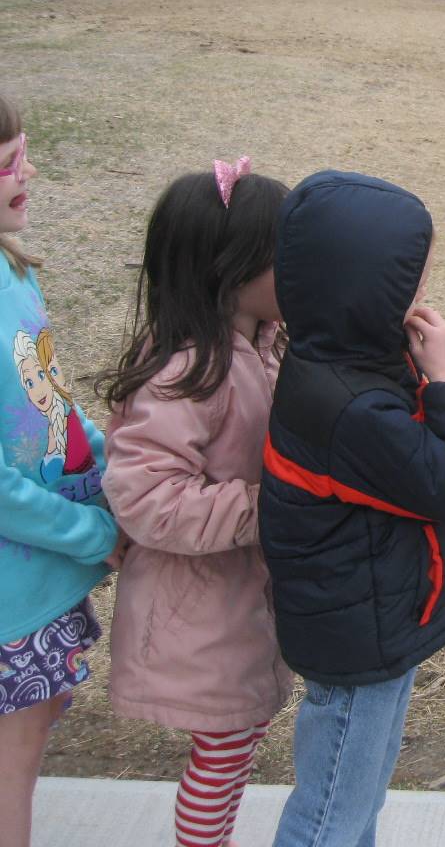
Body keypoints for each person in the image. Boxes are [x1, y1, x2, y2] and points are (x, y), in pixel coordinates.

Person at [259, 171, 445, 847]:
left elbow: (384, 495)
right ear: (366, 291)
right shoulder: (355, 405)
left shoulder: (334, 358)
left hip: (366, 618)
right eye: (413, 282)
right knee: (333, 809)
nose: (421, 295)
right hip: (359, 638)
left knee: (356, 800)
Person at [98, 161, 293, 847]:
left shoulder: (256, 347)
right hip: (199, 607)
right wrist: (269, 507)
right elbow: (146, 496)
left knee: (238, 739)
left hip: (236, 600)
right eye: (285, 250)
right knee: (223, 750)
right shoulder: (192, 367)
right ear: (233, 267)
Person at [0, 94, 122, 847]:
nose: (29, 169)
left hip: (38, 580)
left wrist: (117, 468)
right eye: (9, 162)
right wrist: (89, 533)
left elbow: (53, 411)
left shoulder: (15, 270)